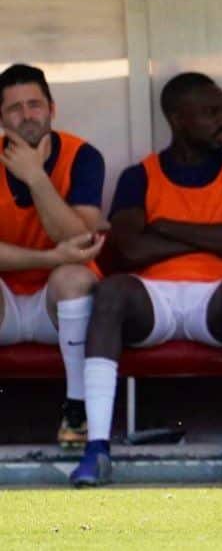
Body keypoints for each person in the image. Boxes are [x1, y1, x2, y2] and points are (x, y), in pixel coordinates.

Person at [73, 72, 222, 486]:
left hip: (216, 300)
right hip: (154, 300)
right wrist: (214, 240)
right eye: (210, 112)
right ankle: (97, 448)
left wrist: (164, 227)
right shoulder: (138, 176)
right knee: (111, 290)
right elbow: (131, 250)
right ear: (178, 120)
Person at [0, 64, 105, 447]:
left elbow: (79, 239)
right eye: (14, 108)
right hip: (6, 302)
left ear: (52, 108)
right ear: (1, 116)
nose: (27, 115)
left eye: (35, 104)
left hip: (56, 304)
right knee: (63, 268)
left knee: (74, 276)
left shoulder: (82, 155)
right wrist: (47, 258)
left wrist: (36, 177)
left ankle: (77, 411)